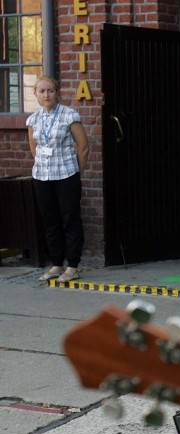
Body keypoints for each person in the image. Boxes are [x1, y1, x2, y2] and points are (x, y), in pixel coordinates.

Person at [26, 75, 90, 283]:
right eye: (42, 91)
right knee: (50, 220)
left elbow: (83, 147)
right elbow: (33, 149)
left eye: (50, 91)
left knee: (70, 219)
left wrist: (77, 172)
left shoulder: (69, 115)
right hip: (42, 176)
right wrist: (42, 166)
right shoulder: (33, 119)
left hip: (66, 175)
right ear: (35, 94)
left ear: (57, 92)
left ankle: (72, 265)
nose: (46, 95)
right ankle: (56, 264)